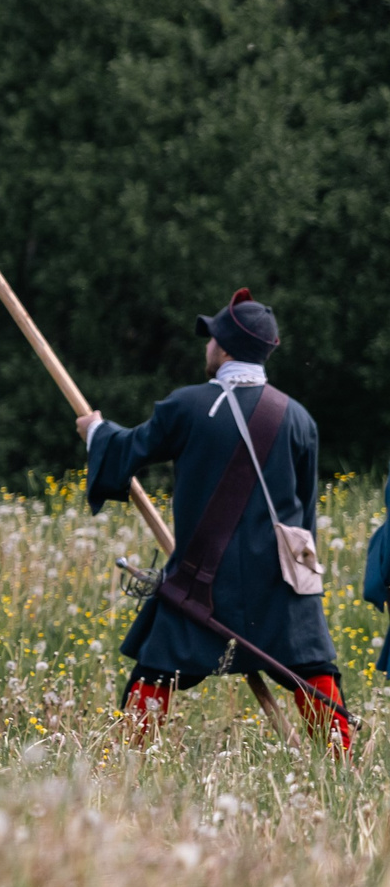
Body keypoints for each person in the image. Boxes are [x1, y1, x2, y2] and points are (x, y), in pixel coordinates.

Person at [77, 289, 349, 750]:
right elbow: (305, 515)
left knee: (156, 669)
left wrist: (96, 432)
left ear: (224, 349)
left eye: (211, 339)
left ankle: (129, 761)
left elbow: (128, 451)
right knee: (312, 668)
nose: (207, 346)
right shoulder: (299, 418)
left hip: (201, 579)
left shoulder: (186, 406)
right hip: (279, 581)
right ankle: (342, 761)